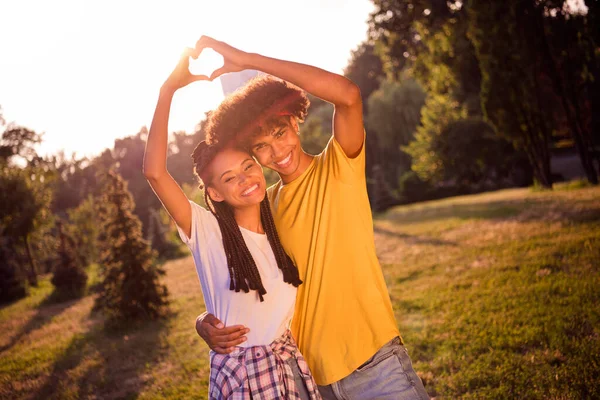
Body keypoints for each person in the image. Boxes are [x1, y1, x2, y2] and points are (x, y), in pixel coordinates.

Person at [194, 36, 430, 400]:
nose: (277, 151)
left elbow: (348, 94)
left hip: (375, 366)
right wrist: (203, 322)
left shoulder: (339, 166)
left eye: (280, 133)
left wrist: (250, 60)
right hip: (305, 379)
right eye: (261, 147)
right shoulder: (263, 208)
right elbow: (240, 277)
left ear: (294, 121)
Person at [143, 47, 322, 400]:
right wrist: (168, 90)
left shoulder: (278, 215)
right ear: (215, 192)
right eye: (229, 178)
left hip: (290, 370)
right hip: (243, 380)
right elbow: (153, 171)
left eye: (248, 167)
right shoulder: (207, 231)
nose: (245, 180)